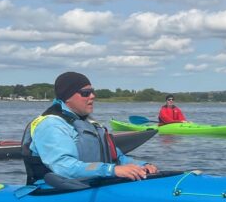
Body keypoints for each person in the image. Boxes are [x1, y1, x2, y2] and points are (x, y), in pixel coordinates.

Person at [22, 71, 158, 189]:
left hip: (91, 185)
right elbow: (64, 167)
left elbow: (117, 158)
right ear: (67, 97)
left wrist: (142, 166)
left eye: (92, 91)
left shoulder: (89, 123)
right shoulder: (51, 125)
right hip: (53, 191)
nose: (92, 96)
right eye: (85, 93)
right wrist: (111, 170)